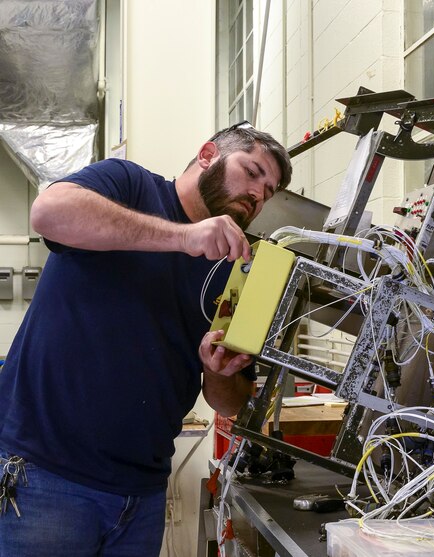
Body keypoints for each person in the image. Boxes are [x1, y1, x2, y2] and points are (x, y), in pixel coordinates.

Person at [0, 122, 292, 556]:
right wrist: (184, 237)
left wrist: (217, 371)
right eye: (251, 172)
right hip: (46, 479)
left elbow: (229, 402)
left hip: (141, 497)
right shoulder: (129, 185)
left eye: (267, 192)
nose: (256, 195)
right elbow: (48, 212)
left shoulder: (236, 268)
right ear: (208, 154)